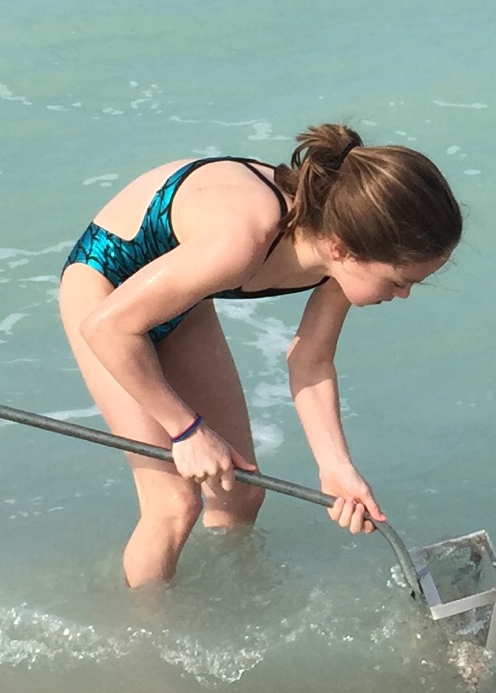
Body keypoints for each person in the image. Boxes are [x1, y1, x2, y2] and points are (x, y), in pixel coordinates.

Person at [58, 124, 462, 587]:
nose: (405, 295)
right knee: (173, 503)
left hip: (177, 299)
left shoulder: (344, 254)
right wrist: (186, 429)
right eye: (397, 281)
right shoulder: (244, 239)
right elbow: (108, 327)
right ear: (342, 248)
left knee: (239, 495)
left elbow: (310, 361)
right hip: (106, 291)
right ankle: (149, 644)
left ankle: (228, 603)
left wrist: (336, 468)